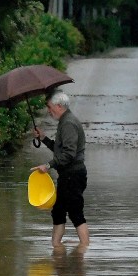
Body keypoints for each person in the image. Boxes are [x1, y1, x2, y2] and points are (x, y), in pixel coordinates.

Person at [31, 90, 90, 248]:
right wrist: (43, 138)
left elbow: (69, 154)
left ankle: (83, 249)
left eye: (50, 107)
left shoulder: (68, 123)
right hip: (67, 176)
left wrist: (48, 165)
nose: (48, 111)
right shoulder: (65, 121)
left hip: (73, 175)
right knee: (58, 212)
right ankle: (57, 249)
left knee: (76, 214)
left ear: (59, 106)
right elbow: (60, 151)